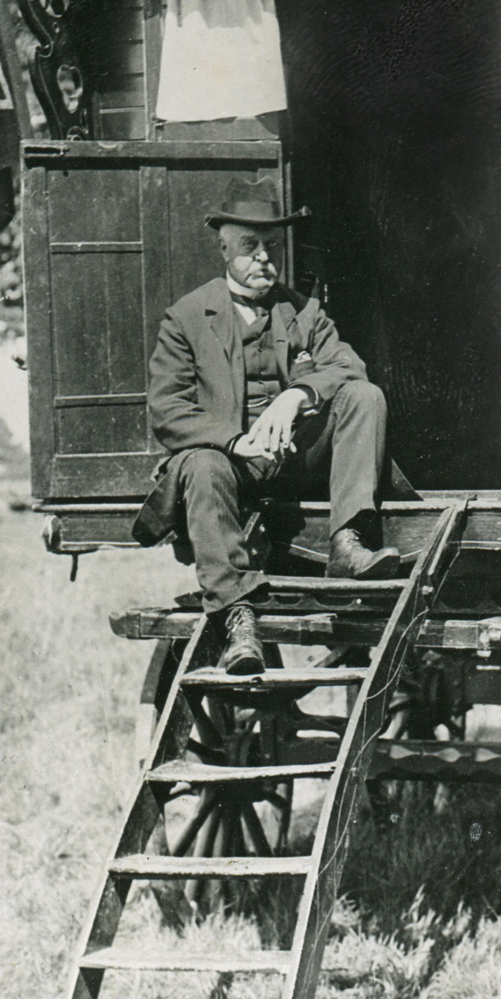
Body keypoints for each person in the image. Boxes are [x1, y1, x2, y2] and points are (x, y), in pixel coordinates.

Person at [133, 174, 400, 674]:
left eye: (272, 246)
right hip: (231, 467)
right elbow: (167, 411)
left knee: (364, 396)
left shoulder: (304, 312)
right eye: (249, 247)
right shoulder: (186, 317)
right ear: (224, 249)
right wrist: (235, 442)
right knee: (200, 464)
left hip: (298, 460)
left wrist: (297, 395)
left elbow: (349, 367)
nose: (263, 258)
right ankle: (238, 619)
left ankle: (347, 543)